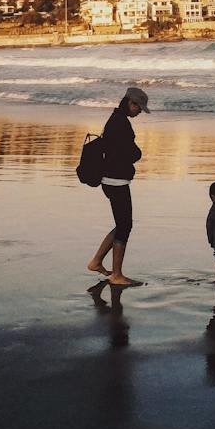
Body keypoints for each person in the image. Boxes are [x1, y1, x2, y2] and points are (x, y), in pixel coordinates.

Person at [87, 86, 149, 286]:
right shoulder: (121, 124)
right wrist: (137, 153)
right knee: (125, 225)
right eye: (139, 107)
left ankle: (97, 261)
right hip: (116, 181)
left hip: (111, 179)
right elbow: (130, 153)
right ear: (131, 103)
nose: (140, 111)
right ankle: (117, 275)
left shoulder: (115, 120)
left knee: (122, 223)